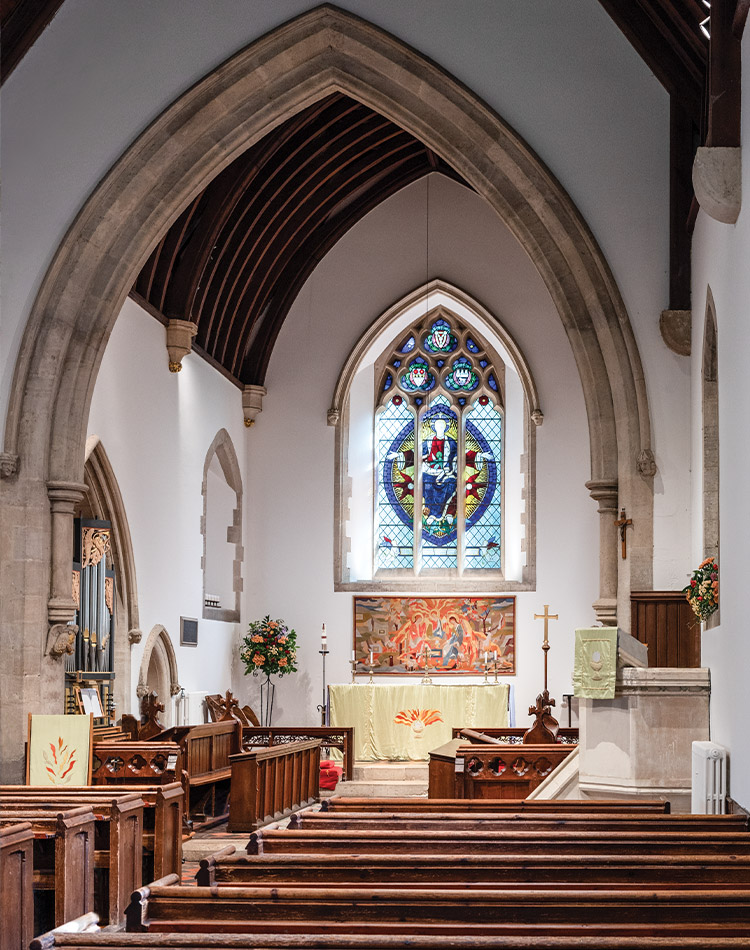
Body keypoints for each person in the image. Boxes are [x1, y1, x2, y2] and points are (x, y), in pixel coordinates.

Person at [421, 414, 457, 532]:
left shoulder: (451, 442)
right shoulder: (428, 441)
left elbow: (457, 457)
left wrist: (449, 469)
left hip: (446, 472)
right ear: (434, 427)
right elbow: (421, 455)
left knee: (451, 483)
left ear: (445, 427)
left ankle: (448, 513)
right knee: (427, 482)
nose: (440, 428)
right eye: (438, 426)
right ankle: (431, 513)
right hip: (430, 471)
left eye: (442, 426)